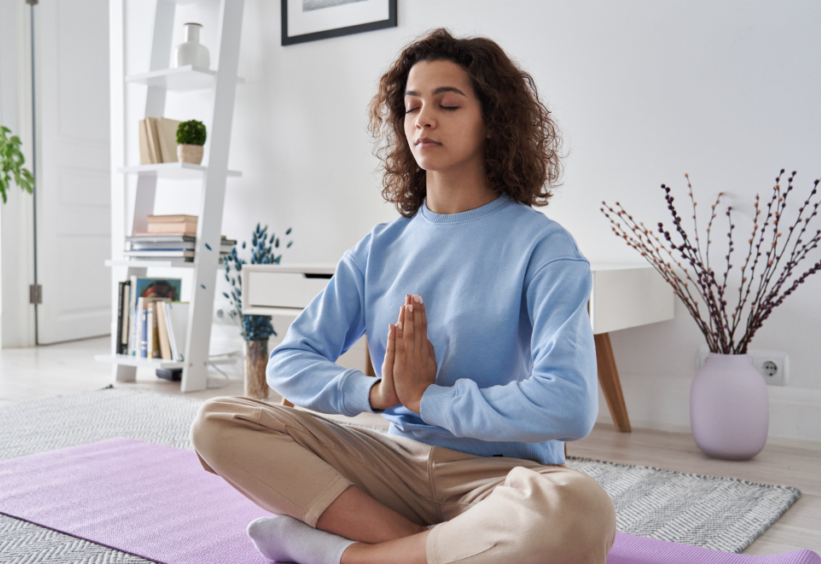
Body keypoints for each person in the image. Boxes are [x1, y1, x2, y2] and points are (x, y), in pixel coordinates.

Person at [189, 27, 617, 564]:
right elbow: (290, 362)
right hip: (391, 464)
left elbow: (570, 405)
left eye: (448, 103)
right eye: (412, 106)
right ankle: (423, 546)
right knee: (217, 422)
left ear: (494, 121)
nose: (424, 119)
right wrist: (378, 395)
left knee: (579, 507)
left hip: (503, 479)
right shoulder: (378, 249)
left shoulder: (544, 247)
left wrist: (428, 397)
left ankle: (349, 555)